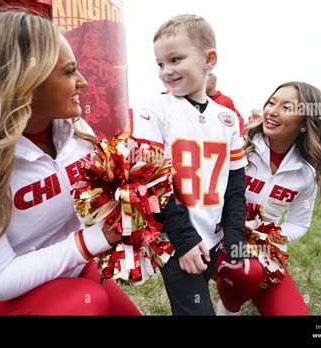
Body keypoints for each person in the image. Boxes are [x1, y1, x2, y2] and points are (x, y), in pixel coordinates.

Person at [0, 9, 140, 316]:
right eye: (69, 71)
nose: (83, 82)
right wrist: (96, 239)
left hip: (75, 273)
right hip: (8, 301)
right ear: (22, 79)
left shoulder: (76, 131)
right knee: (85, 301)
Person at [131, 14, 250, 315]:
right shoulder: (154, 111)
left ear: (209, 59)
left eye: (175, 59)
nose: (165, 71)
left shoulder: (227, 119)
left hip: (213, 234)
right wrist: (183, 240)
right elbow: (150, 182)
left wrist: (234, 238)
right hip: (175, 238)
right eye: (160, 63)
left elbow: (235, 185)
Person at [214, 81, 321, 315]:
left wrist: (268, 239)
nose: (272, 110)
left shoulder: (306, 171)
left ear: (305, 122)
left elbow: (299, 223)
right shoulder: (240, 145)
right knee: (243, 271)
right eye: (271, 102)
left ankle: (244, 281)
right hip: (217, 240)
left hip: (260, 251)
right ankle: (230, 306)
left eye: (287, 107)